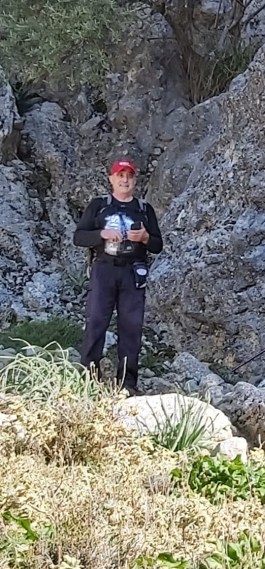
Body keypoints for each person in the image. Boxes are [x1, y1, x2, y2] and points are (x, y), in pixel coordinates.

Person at [74, 158, 163, 395]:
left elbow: (157, 245)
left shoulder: (144, 209)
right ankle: (88, 379)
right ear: (111, 179)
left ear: (135, 180)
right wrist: (102, 234)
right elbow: (79, 237)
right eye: (120, 175)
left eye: (129, 176)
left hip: (133, 272)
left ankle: (127, 383)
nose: (125, 180)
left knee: (131, 327)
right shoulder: (99, 205)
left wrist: (144, 238)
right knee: (96, 321)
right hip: (104, 269)